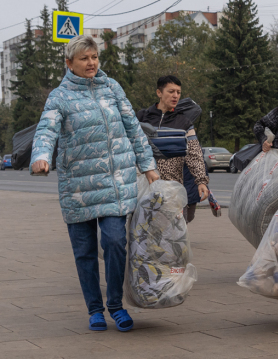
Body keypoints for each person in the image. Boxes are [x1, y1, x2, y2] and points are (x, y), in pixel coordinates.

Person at [30, 35, 158, 332]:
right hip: (77, 187)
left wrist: (148, 165)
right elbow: (46, 128)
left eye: (94, 57)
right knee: (84, 251)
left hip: (114, 182)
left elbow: (133, 129)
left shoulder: (111, 87)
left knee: (115, 241)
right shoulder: (59, 96)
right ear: (69, 63)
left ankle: (115, 304)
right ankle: (95, 310)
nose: (91, 63)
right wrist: (41, 156)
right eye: (84, 58)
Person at [137, 75, 209, 217]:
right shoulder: (141, 117)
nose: (175, 96)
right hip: (143, 186)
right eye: (171, 92)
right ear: (159, 93)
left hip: (172, 188)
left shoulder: (184, 123)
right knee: (142, 232)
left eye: (178, 92)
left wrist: (201, 181)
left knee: (172, 234)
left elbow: (194, 154)